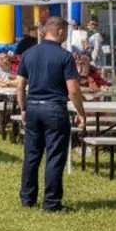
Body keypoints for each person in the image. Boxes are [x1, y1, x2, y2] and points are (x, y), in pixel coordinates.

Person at [16, 16, 86, 212]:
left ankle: (27, 198)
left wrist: (23, 109)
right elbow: (73, 89)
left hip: (33, 107)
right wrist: (81, 112)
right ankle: (51, 202)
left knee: (31, 155)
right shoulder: (65, 56)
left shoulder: (28, 54)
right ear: (61, 31)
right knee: (55, 156)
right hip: (54, 108)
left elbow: (20, 86)